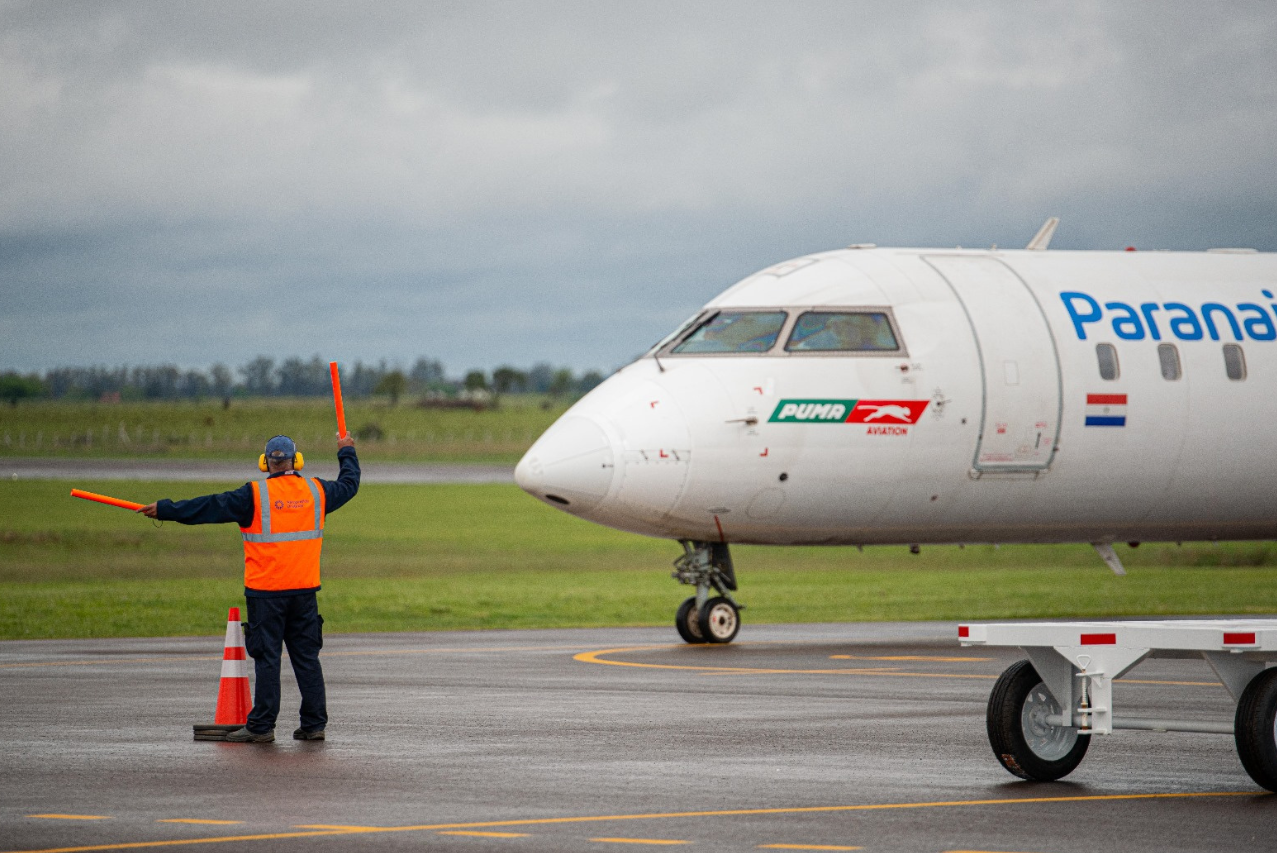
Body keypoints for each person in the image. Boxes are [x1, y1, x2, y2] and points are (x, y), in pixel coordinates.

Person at [140, 433, 359, 743]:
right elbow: (350, 484)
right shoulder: (317, 491)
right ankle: (313, 724)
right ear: (296, 461)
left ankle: (262, 726)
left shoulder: (254, 495)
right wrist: (346, 451)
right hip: (304, 591)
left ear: (265, 463)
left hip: (266, 594)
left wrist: (166, 509)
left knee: (267, 658)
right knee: (307, 658)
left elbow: (208, 507)